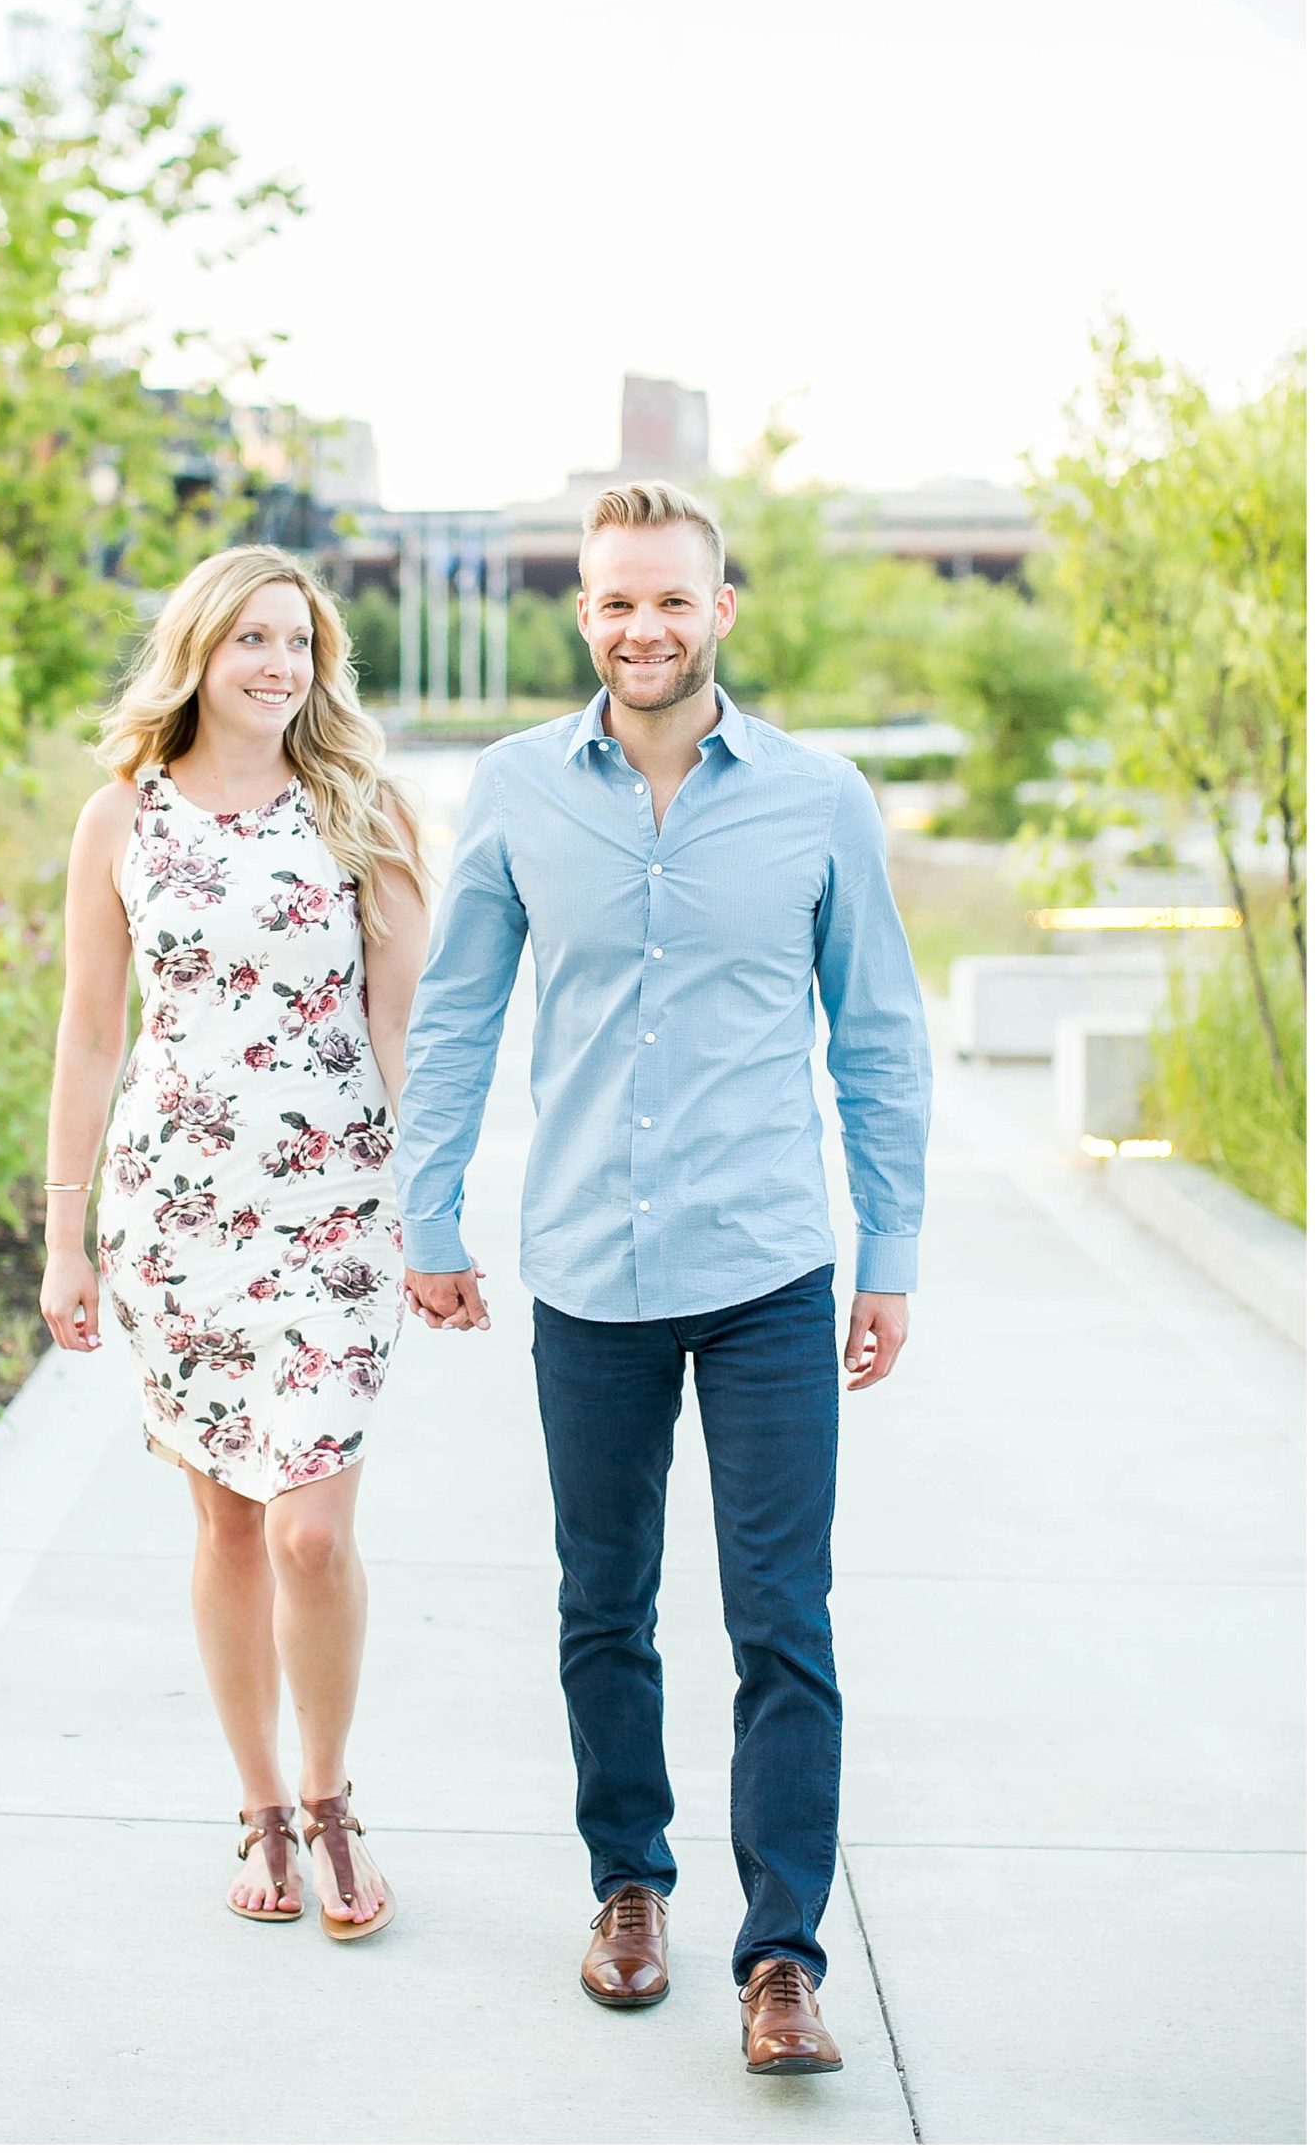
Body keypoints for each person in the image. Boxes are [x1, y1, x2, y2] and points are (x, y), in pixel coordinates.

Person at [393, 480, 931, 2071]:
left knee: (784, 1622)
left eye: (673, 600)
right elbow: (457, 1019)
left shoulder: (822, 800)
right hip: (586, 1275)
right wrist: (432, 1218)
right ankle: (629, 1886)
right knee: (602, 1607)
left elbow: (881, 1039)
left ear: (723, 611)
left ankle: (782, 1965)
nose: (645, 627)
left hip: (768, 1265)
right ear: (583, 615)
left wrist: (888, 1255)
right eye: (617, 602)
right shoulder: (510, 790)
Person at [39, 545, 429, 1939]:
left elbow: (405, 1031)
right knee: (225, 1518)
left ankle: (331, 1802)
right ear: (197, 651)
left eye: (299, 642)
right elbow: (94, 1034)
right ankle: (260, 1806)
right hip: (175, 1220)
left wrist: (424, 1216)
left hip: (331, 1217)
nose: (278, 664)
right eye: (252, 639)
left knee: (314, 1529)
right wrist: (65, 1237)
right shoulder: (121, 820)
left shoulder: (359, 808)